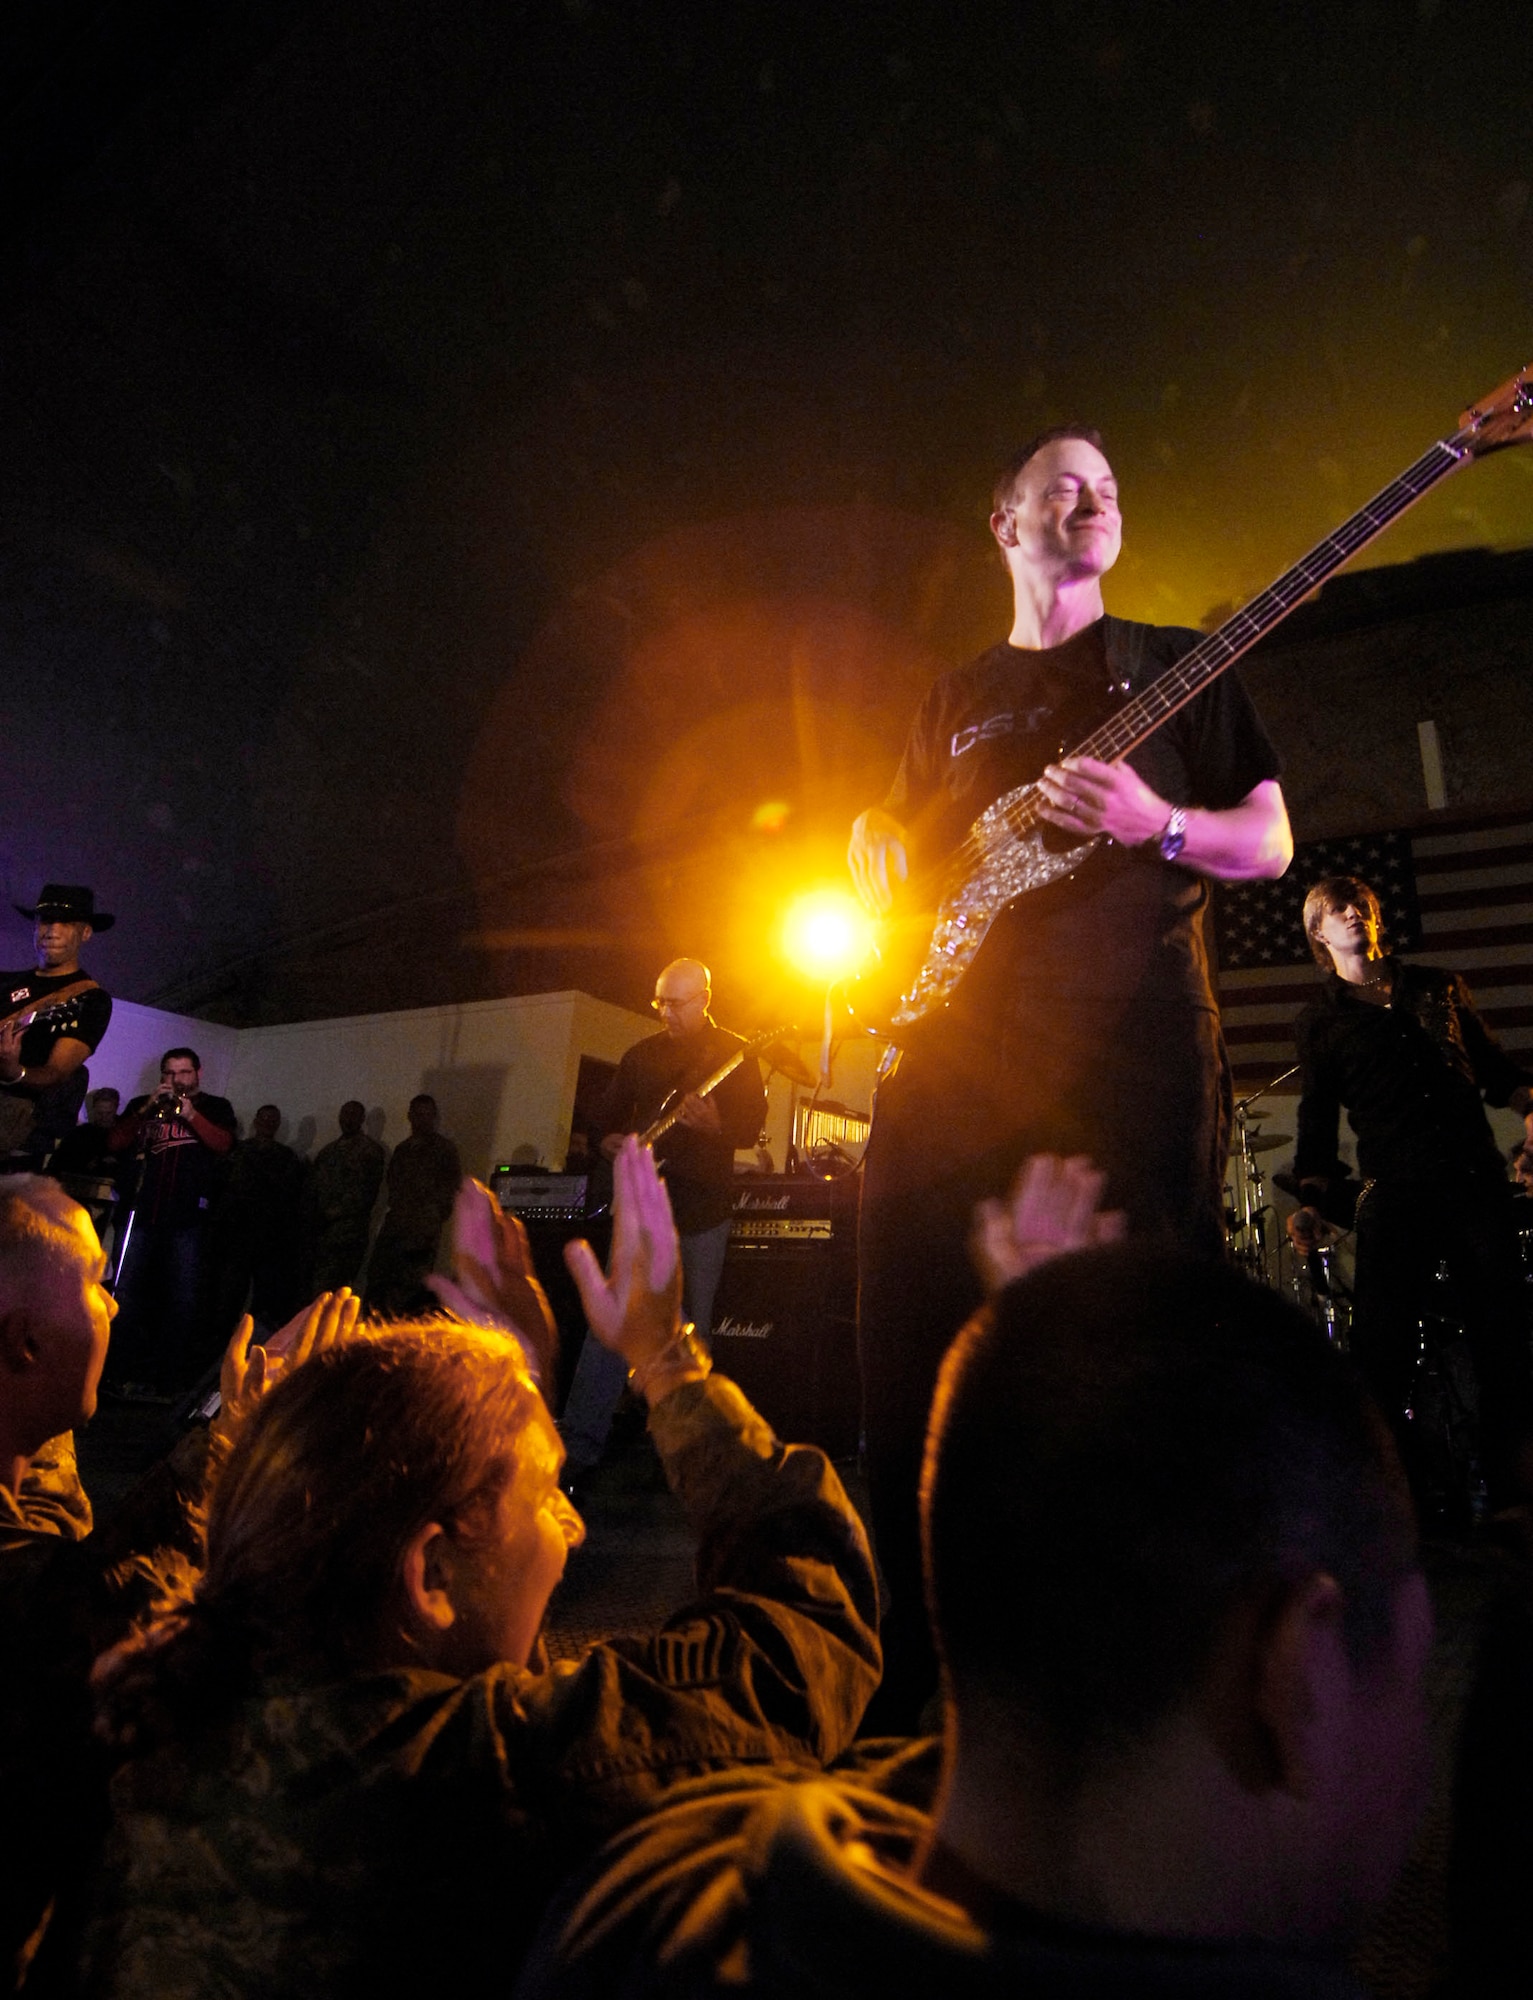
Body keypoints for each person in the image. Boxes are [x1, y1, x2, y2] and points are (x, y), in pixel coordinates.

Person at [521, 1163, 1431, 2000]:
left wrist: (1054, 1417)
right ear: (1300, 1672)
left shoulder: (642, 1895)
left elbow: (810, 1595)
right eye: (1414, 1683)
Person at [81, 1142, 879, 1999]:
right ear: (428, 1574)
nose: (572, 1527)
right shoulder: (492, 1780)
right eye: (544, 1496)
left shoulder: (164, 1711)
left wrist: (515, 1392)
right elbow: (805, 1614)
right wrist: (665, 1357)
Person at [846, 427, 1292, 1723]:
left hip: (1126, 1054)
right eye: (1061, 485)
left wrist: (1154, 822)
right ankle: (915, 1686)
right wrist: (877, 826)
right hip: (951, 1064)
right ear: (1006, 524)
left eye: (1108, 486)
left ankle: (1152, 1688)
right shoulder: (954, 696)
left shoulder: (1178, 670)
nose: (1091, 499)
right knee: (910, 1354)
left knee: (1136, 1348)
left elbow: (1264, 844)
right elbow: (910, 840)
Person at [1286, 875, 1533, 1512]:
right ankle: (1395, 1504)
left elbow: (1494, 1066)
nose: (1352, 912)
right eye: (1336, 908)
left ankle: (1515, 1499)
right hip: (1395, 1188)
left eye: (1360, 903)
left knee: (1503, 1336)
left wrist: (1529, 1104)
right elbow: (1317, 1117)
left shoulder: (1437, 988)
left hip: (1473, 1178)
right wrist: (1311, 1199)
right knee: (1382, 1348)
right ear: (1319, 932)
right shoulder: (1321, 1021)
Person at [559, 959, 766, 1481]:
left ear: (704, 998)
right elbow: (603, 1116)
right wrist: (606, 1140)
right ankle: (579, 1447)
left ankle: (687, 1451)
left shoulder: (736, 1053)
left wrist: (717, 1122)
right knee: (614, 1321)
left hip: (704, 1210)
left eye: (675, 1002)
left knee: (692, 1329)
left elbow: (750, 1125)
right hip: (643, 1208)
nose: (665, 1012)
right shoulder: (642, 1054)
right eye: (660, 1002)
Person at [107, 1048, 237, 1395]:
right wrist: (146, 1108)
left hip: (186, 1220)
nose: (177, 1079)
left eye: (184, 1072)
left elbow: (223, 1145)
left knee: (181, 1299)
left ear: (198, 1073)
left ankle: (168, 1380)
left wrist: (191, 1114)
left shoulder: (215, 1106)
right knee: (125, 1294)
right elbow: (115, 1141)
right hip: (140, 1213)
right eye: (169, 1073)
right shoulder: (143, 1103)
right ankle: (117, 1373)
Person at [0, 885, 116, 1167]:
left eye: (65, 923)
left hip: (15, 1132)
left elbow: (57, 1071)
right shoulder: (5, 982)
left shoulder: (89, 998)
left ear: (85, 933)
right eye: (45, 921)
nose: (52, 930)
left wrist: (15, 1071)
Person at [210, 1105, 308, 1339]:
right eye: (264, 1119)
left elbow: (290, 1200)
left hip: (268, 1239)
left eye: (272, 1120)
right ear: (255, 1121)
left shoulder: (286, 1158)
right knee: (227, 1297)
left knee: (262, 1301)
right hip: (235, 1235)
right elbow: (222, 1190)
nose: (267, 1123)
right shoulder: (237, 1151)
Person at [363, 1092, 461, 1313]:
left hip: (422, 1230)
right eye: (417, 1114)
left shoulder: (444, 1149)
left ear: (434, 1116)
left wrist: (431, 1217)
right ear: (410, 1116)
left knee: (411, 1289)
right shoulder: (403, 1149)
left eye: (427, 1114)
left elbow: (451, 1187)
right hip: (396, 1226)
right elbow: (394, 1184)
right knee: (379, 1280)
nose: (422, 1119)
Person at [305, 1099, 387, 1291]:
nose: (348, 1119)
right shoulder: (328, 1152)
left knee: (339, 1292)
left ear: (361, 1119)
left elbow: (365, 1194)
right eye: (345, 1114)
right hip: (322, 1235)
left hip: (349, 1236)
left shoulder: (370, 1151)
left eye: (353, 1115)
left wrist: (332, 1213)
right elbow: (315, 1189)